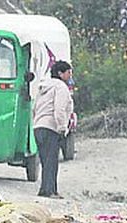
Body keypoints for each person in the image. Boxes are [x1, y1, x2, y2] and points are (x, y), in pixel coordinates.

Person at [33, 61, 74, 198]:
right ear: (60, 73)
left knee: (45, 160)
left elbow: (34, 108)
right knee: (51, 161)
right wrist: (62, 127)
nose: (70, 76)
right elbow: (59, 109)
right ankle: (50, 191)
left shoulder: (42, 88)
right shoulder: (61, 87)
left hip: (38, 126)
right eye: (68, 72)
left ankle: (45, 189)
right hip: (51, 127)